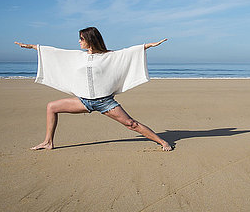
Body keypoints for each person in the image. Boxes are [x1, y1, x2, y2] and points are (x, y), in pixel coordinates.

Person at [15, 27, 172, 151]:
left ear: (90, 40)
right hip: (84, 101)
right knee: (51, 107)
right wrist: (34, 47)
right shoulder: (78, 56)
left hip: (105, 102)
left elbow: (127, 53)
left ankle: (161, 141)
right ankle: (48, 142)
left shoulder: (108, 56)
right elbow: (57, 54)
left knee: (131, 124)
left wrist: (147, 46)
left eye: (81, 38)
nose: (79, 41)